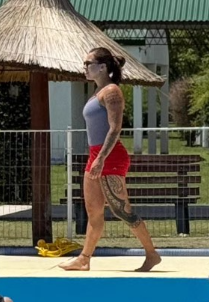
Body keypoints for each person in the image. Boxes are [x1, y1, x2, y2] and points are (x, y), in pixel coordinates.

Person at [59, 47, 160, 272]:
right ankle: (84, 258)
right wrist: (97, 157)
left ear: (103, 67)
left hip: (110, 156)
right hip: (96, 155)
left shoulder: (112, 92)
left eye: (88, 63)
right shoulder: (97, 92)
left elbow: (115, 129)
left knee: (122, 210)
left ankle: (152, 254)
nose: (84, 67)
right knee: (93, 211)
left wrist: (102, 158)